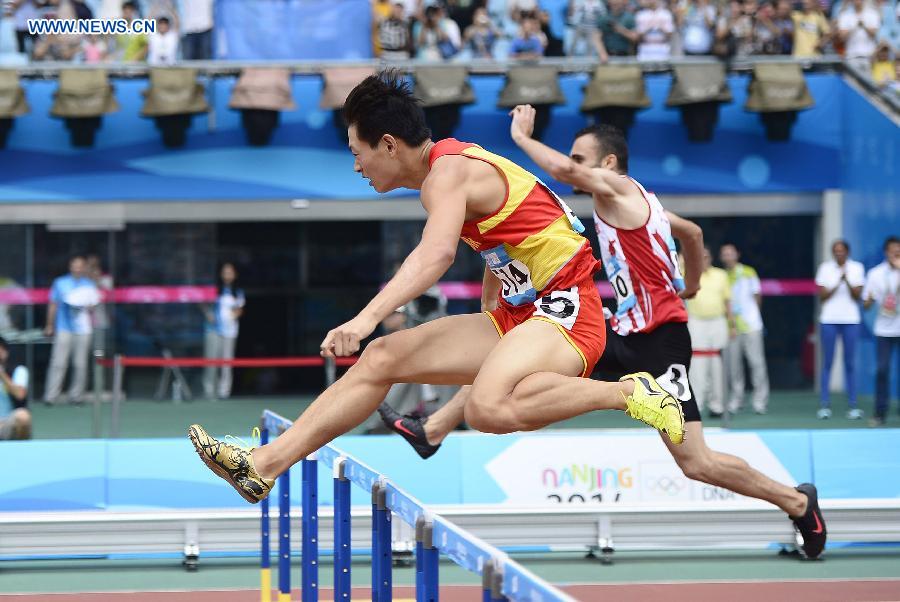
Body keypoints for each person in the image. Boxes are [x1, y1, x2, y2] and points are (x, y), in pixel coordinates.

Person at [189, 71, 687, 508]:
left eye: (358, 154)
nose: (357, 167)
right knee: (382, 358)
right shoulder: (454, 167)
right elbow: (512, 232)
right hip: (522, 315)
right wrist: (493, 294)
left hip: (569, 311)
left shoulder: (447, 172)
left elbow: (436, 255)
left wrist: (364, 318)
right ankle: (263, 466)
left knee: (485, 408)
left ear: (389, 144)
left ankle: (629, 392)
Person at [380, 115, 827, 560]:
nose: (572, 166)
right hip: (621, 330)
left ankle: (797, 502)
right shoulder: (635, 204)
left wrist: (520, 139)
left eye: (581, 159)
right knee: (512, 355)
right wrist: (690, 282)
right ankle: (433, 429)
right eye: (573, 158)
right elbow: (692, 232)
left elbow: (564, 172)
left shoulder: (621, 191)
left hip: (660, 342)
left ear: (608, 163)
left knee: (696, 462)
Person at [815, 239, 865, 420]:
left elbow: (857, 295)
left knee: (849, 363)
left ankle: (852, 405)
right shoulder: (825, 268)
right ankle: (824, 405)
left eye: (842, 250)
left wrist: (847, 280)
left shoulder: (857, 268)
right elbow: (822, 296)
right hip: (829, 320)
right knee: (827, 362)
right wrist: (838, 281)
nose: (839, 253)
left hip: (851, 320)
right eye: (836, 250)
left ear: (847, 252)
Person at [43, 255, 100, 406]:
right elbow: (53, 304)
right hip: (63, 328)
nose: (77, 268)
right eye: (75, 265)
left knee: (80, 364)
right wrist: (49, 325)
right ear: (70, 266)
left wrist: (90, 305)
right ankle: (50, 396)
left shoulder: (89, 284)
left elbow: (93, 306)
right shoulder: (60, 282)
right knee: (58, 362)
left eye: (80, 266)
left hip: (83, 330)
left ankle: (76, 397)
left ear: (83, 267)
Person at [720, 243, 770, 415]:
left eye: (730, 253)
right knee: (734, 366)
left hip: (751, 326)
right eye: (725, 254)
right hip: (731, 328)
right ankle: (736, 399)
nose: (728, 256)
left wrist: (753, 317)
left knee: (757, 364)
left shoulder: (749, 272)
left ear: (737, 254)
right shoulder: (721, 275)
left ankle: (759, 401)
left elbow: (757, 297)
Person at [685, 246, 732, 417]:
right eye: (699, 256)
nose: (703, 260)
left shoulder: (721, 275)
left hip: (718, 321)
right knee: (697, 366)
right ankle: (697, 404)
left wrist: (732, 325)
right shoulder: (688, 273)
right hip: (696, 322)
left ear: (710, 258)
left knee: (718, 364)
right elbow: (677, 259)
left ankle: (717, 405)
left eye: (705, 257)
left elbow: (727, 301)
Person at [863, 236, 900, 427]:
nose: (896, 252)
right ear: (886, 252)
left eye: (899, 249)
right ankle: (880, 412)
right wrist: (869, 300)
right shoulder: (875, 273)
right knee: (882, 370)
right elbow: (866, 304)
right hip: (883, 329)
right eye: (893, 249)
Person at [203, 262, 245, 400]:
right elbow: (201, 302)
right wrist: (208, 314)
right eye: (225, 272)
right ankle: (209, 391)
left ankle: (224, 392)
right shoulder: (213, 289)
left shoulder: (238, 291)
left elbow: (240, 309)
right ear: (220, 274)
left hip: (230, 331)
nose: (227, 275)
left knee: (227, 362)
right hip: (213, 330)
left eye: (230, 272)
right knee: (211, 361)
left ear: (235, 274)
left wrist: (235, 314)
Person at [0, 336, 30, 441]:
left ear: (5, 352)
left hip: (7, 424)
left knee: (23, 416)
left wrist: (2, 374)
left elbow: (20, 394)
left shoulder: (19, 370)